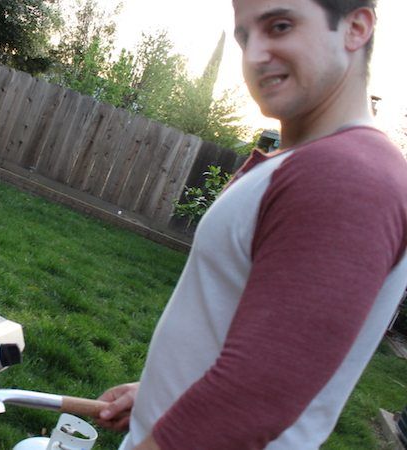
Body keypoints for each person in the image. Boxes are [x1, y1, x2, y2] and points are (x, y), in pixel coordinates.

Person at [96, 0, 407, 449]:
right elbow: (258, 334)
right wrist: (161, 397)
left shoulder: (351, 175)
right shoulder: (311, 163)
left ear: (355, 27)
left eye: (279, 26)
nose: (255, 54)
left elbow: (256, 394)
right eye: (245, 37)